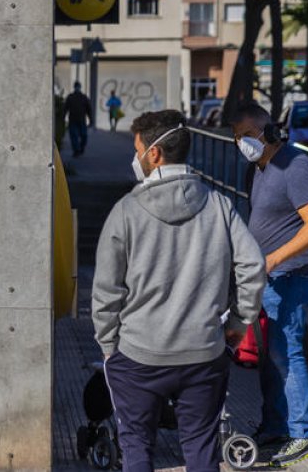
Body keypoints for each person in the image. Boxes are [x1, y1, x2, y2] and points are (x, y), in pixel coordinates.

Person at [93, 109, 265, 472]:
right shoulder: (219, 204)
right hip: (203, 353)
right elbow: (252, 266)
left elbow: (106, 291)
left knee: (136, 445)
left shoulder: (125, 212)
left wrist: (109, 347)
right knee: (201, 448)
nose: (135, 157)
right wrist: (238, 322)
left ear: (154, 153)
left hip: (138, 355)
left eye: (137, 148)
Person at [231, 103, 308, 466]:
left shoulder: (294, 165)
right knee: (270, 356)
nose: (241, 142)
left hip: (294, 274)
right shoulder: (256, 168)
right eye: (237, 137)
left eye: (246, 135)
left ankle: (305, 434)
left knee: (287, 350)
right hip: (267, 276)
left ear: (268, 132)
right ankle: (276, 424)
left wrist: (273, 258)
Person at [64, 81, 93, 156]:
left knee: (84, 136)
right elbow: (65, 108)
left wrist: (91, 119)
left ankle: (81, 147)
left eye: (78, 86)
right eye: (76, 86)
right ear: (74, 87)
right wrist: (63, 118)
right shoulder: (70, 97)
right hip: (73, 120)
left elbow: (88, 109)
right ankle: (76, 150)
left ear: (80, 87)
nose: (77, 88)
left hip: (82, 120)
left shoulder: (84, 97)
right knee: (74, 136)